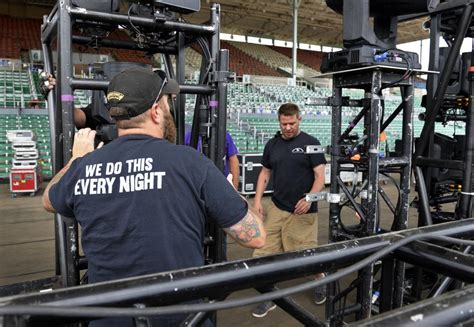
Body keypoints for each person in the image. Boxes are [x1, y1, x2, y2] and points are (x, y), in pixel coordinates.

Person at [42, 67, 266, 327]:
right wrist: (233, 198)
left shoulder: (84, 167)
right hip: (182, 319)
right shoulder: (189, 162)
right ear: (156, 111)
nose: (169, 109)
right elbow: (256, 237)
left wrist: (75, 159)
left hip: (110, 319)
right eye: (167, 102)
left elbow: (48, 200)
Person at [251, 103, 327, 318]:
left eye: (292, 123)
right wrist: (256, 201)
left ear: (299, 119)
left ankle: (321, 278)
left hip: (303, 211)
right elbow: (265, 173)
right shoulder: (272, 145)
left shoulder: (313, 143)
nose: (288, 128)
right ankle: (269, 296)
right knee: (264, 254)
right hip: (276, 207)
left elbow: (320, 177)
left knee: (303, 257)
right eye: (284, 124)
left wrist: (310, 198)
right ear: (279, 122)